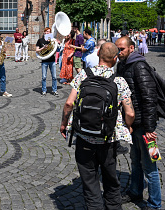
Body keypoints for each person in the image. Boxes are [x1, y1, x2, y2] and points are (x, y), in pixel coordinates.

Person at [60, 42, 135, 210]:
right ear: (115, 59)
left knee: (90, 182)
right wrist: (128, 127)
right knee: (111, 181)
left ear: (99, 54)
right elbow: (129, 113)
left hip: (84, 136)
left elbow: (69, 103)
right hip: (108, 139)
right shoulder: (119, 81)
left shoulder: (83, 75)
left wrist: (64, 124)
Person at [115, 36, 162, 209]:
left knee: (151, 165)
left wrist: (150, 129)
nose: (119, 52)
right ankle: (135, 191)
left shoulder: (140, 66)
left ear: (131, 48)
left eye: (122, 49)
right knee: (135, 160)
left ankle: (155, 204)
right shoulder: (121, 65)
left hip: (145, 126)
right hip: (132, 124)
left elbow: (150, 99)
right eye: (117, 49)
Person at [36, 27, 58, 96]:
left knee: (54, 77)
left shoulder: (52, 40)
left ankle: (54, 90)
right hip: (44, 60)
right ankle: (44, 90)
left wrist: (57, 43)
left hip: (52, 60)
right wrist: (43, 48)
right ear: (44, 32)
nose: (47, 33)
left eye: (48, 32)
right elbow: (37, 50)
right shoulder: (40, 40)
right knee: (44, 77)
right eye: (46, 31)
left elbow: (56, 49)